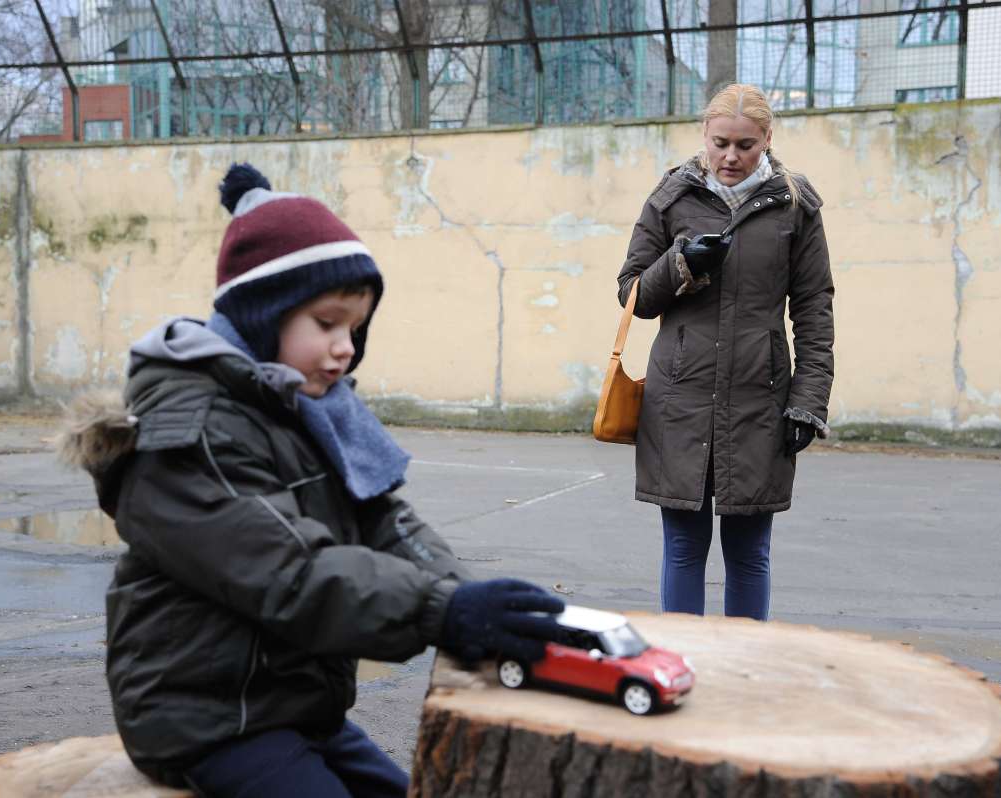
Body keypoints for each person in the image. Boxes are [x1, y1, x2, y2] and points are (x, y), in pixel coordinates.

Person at [58, 162, 563, 797]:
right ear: (264, 317)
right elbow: (289, 571)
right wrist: (442, 611)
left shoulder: (309, 410)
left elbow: (383, 520)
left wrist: (473, 599)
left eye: (355, 328)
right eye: (326, 324)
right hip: (207, 717)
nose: (346, 346)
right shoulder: (192, 433)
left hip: (293, 705)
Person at [615, 83, 835, 622]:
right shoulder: (671, 196)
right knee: (684, 549)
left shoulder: (795, 206)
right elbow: (632, 293)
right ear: (704, 137)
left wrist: (809, 401)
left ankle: (744, 668)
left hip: (760, 400)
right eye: (720, 143)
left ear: (767, 139)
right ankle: (682, 664)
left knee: (748, 552)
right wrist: (680, 262)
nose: (730, 157)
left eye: (745, 145)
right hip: (680, 400)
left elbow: (813, 307)